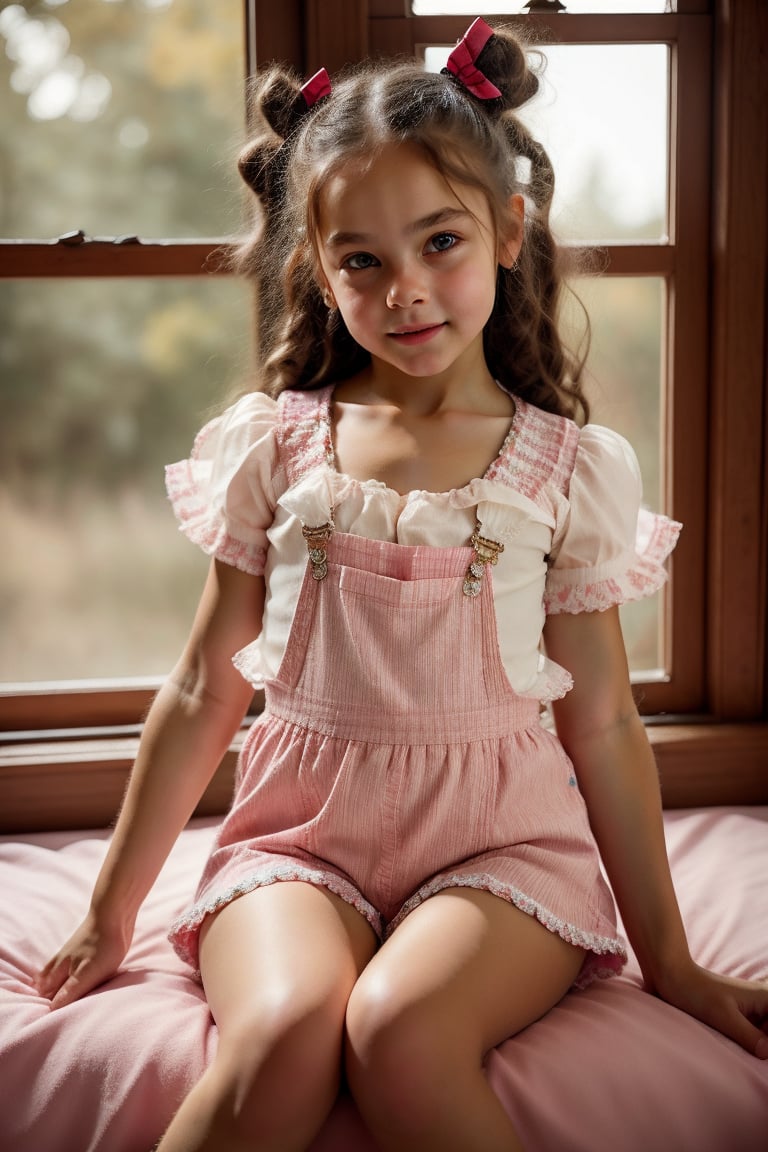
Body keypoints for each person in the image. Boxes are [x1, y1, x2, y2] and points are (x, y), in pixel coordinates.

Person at [38, 17, 768, 1152]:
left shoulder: (567, 470)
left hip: (505, 851)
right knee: (284, 1027)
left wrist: (668, 957)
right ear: (318, 273)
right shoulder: (274, 447)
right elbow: (198, 691)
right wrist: (108, 911)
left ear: (509, 231)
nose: (407, 289)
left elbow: (608, 720)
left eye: (442, 243)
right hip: (299, 843)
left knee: (400, 1029)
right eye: (363, 260)